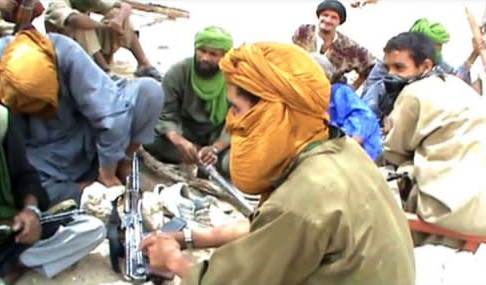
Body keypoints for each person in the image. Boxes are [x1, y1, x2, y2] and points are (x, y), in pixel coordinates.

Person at [140, 42, 415, 285]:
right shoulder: (340, 149)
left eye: (236, 109)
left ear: (274, 113)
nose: (231, 123)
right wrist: (189, 238)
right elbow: (268, 227)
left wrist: (172, 260)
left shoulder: (302, 199)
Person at [0, 29, 163, 208]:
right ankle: (86, 190)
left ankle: (122, 163)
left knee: (150, 93)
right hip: (44, 155)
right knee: (28, 191)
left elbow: (110, 114)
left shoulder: (64, 52)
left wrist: (107, 171)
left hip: (87, 130)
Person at [381, 31, 486, 247]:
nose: (391, 74)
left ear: (426, 66)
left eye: (399, 67)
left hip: (455, 214)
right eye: (388, 68)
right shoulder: (458, 85)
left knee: (386, 177)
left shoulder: (413, 92)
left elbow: (393, 151)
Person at [0, 103, 105, 284]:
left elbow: (25, 176)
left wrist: (30, 210)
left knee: (92, 228)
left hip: (12, 232)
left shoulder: (0, 120)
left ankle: (19, 263)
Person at [143, 26, 233, 176]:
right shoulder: (178, 72)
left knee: (232, 163)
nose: (205, 58)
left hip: (218, 138)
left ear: (225, 56)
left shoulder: (234, 78)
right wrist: (180, 141)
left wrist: (215, 148)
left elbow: (238, 121)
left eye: (213, 54)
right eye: (202, 51)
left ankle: (206, 159)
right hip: (184, 134)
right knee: (147, 139)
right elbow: (166, 114)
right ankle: (197, 158)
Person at [362, 18, 482, 122]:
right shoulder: (386, 73)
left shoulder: (433, 67)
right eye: (437, 47)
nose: (438, 52)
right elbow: (368, 109)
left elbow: (454, 80)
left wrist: (474, 54)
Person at [44, 0, 161, 80]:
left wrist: (118, 20)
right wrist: (104, 26)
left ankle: (144, 64)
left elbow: (125, 6)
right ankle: (105, 71)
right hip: (65, 56)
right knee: (83, 25)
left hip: (88, 53)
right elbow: (75, 20)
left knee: (115, 13)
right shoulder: (58, 3)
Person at [292, 0, 376, 90]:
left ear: (340, 22)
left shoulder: (349, 47)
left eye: (334, 17)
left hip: (327, 93)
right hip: (298, 85)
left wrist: (352, 88)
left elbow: (371, 67)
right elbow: (291, 55)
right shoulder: (304, 32)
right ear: (319, 16)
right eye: (325, 15)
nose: (328, 20)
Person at [313, 53, 382, 160]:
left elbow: (365, 118)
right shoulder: (309, 102)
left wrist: (345, 143)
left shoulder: (339, 92)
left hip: (357, 151)